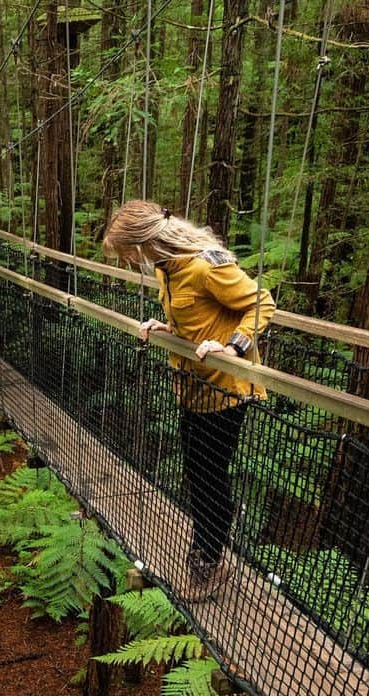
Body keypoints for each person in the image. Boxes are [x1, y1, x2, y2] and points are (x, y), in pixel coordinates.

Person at [103, 200, 275, 600]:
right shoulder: (167, 270)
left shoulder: (203, 265)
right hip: (192, 388)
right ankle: (210, 554)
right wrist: (167, 328)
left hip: (226, 390)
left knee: (209, 477)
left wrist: (234, 347)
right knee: (199, 475)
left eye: (129, 253)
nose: (130, 263)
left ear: (146, 241)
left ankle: (209, 563)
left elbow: (261, 301)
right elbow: (195, 317)